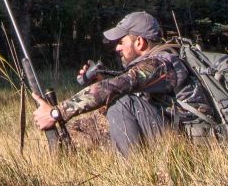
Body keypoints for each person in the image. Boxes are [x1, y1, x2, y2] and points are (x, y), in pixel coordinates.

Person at [31, 10, 202, 154]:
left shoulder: (160, 64)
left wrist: (56, 112)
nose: (117, 48)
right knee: (117, 101)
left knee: (121, 101)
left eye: (121, 42)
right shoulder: (159, 64)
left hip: (190, 144)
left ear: (139, 42)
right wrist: (99, 83)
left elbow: (117, 87)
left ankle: (135, 175)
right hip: (179, 136)